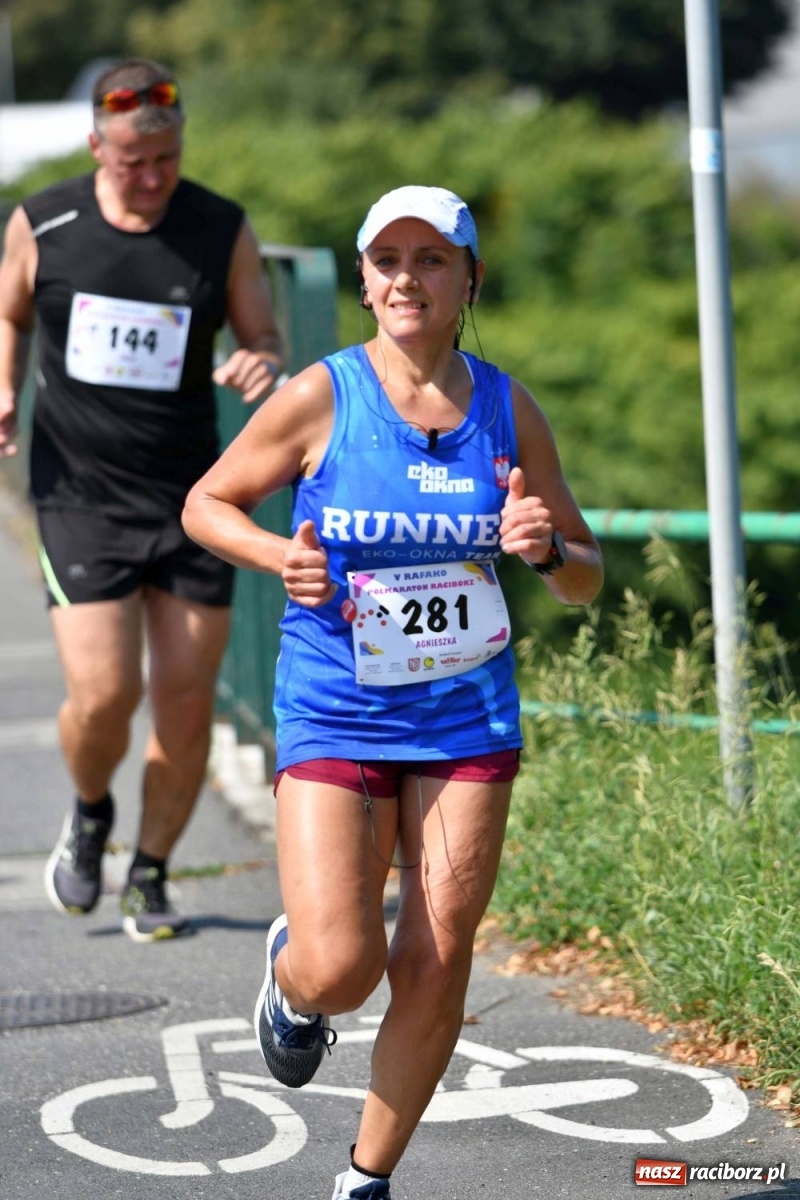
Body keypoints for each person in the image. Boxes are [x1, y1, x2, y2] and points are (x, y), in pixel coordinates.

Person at [182, 184, 603, 1198]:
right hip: (337, 703)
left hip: (466, 718)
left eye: (430, 260)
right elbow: (206, 504)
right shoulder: (322, 395)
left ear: (468, 280)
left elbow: (585, 573)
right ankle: (294, 978)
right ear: (365, 280)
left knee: (437, 954)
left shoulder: (506, 407)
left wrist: (544, 548)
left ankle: (366, 1178)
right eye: (386, 261)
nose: (405, 278)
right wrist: (280, 553)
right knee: (342, 968)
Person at [0, 58, 284, 943]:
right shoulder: (46, 221)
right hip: (80, 493)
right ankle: (90, 813)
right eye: (133, 161)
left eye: (165, 158)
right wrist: (3, 386)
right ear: (97, 146)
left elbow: (263, 332)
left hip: (196, 498)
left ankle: (151, 872)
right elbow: (8, 313)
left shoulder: (217, 227)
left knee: (188, 698)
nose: (152, 177)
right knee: (105, 693)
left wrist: (262, 361)